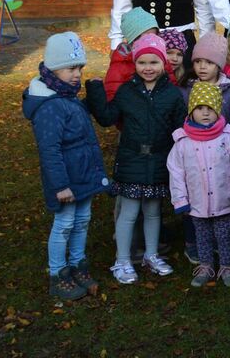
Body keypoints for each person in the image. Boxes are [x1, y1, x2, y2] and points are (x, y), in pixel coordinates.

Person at [86, 34, 187, 285]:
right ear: (135, 63)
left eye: (154, 62)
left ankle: (151, 255)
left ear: (163, 64)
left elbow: (179, 128)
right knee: (129, 211)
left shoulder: (172, 95)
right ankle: (122, 259)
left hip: (159, 159)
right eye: (142, 62)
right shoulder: (126, 92)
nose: (148, 68)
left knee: (153, 211)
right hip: (131, 159)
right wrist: (96, 90)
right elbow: (108, 117)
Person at [23, 33, 110, 301]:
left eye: (80, 68)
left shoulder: (67, 96)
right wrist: (60, 185)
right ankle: (58, 273)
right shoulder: (50, 106)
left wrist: (94, 93)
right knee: (64, 223)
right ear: (52, 69)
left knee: (82, 220)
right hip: (67, 181)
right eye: (71, 68)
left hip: (81, 176)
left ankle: (78, 265)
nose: (77, 74)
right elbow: (50, 149)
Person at [167, 83, 230, 289]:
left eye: (210, 108)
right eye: (200, 109)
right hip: (196, 201)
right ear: (191, 111)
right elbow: (176, 172)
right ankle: (205, 265)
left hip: (224, 199)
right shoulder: (182, 142)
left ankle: (227, 266)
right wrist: (180, 200)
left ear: (218, 110)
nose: (205, 113)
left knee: (225, 235)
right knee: (202, 236)